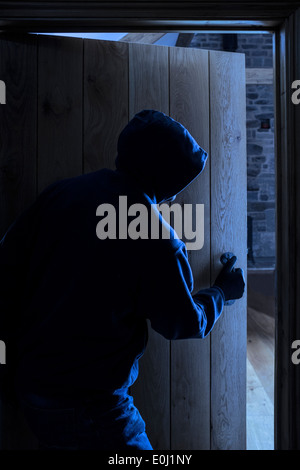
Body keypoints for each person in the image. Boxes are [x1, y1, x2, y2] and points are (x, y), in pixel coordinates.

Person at [0, 109, 245, 450]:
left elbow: (6, 267)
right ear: (167, 177)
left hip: (30, 390)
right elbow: (183, 322)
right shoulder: (156, 236)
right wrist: (222, 291)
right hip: (91, 408)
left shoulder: (61, 194)